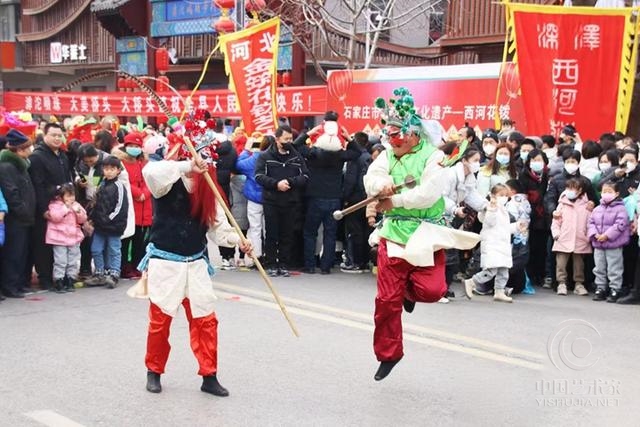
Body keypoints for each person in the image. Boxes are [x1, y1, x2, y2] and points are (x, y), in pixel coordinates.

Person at [363, 88, 479, 381]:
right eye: (388, 136)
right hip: (393, 233)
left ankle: (408, 293)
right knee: (385, 302)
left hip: (425, 234)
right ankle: (389, 354)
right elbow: (371, 178)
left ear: (413, 134)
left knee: (433, 291)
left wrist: (395, 200)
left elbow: (428, 194)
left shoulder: (433, 158)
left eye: (396, 135)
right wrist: (383, 184)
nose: (391, 141)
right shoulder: (388, 155)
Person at [137, 130, 251, 397]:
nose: (200, 166)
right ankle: (154, 370)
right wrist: (187, 166)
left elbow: (218, 226)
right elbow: (151, 172)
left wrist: (239, 240)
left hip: (197, 263)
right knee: (160, 321)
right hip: (166, 263)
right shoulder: (165, 178)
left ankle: (209, 375)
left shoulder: (208, 188)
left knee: (206, 321)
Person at [254, 126, 309, 277]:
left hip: (291, 201)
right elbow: (258, 176)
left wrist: (290, 182)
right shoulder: (265, 156)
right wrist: (276, 184)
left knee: (287, 234)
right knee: (271, 233)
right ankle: (271, 263)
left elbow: (305, 176)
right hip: (271, 201)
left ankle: (284, 264)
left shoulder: (295, 156)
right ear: (277, 139)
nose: (289, 142)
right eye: (286, 139)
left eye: (290, 139)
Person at [29, 122, 74, 291]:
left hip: (64, 207)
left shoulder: (62, 155)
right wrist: (43, 210)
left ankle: (60, 277)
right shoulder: (38, 157)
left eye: (59, 135)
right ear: (45, 136)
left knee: (61, 243)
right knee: (44, 244)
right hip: (47, 207)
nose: (57, 138)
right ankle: (45, 278)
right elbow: (37, 186)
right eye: (53, 135)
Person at [0, 130, 36, 298]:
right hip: (16, 218)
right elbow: (11, 193)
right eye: (28, 147)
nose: (31, 149)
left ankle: (19, 283)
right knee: (13, 253)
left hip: (25, 218)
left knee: (21, 253)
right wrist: (23, 210)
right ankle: (10, 286)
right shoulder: (7, 167)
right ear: (20, 150)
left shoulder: (22, 164)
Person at [464, 184, 514, 303]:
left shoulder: (503, 210)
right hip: (493, 245)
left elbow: (505, 228)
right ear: (493, 196)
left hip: (502, 245)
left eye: (506, 195)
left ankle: (499, 291)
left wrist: (517, 227)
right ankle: (472, 282)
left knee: (503, 271)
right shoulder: (488, 209)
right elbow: (490, 222)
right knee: (491, 271)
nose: (504, 198)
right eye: (501, 195)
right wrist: (491, 208)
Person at [85, 156, 129, 289]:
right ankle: (100, 273)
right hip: (99, 225)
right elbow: (95, 202)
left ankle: (114, 273)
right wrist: (92, 217)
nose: (108, 172)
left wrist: (108, 219)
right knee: (96, 249)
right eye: (106, 169)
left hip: (113, 226)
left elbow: (120, 206)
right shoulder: (102, 184)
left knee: (114, 250)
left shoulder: (119, 186)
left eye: (112, 169)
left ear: (118, 170)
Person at [588, 182, 629, 302]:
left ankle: (615, 288)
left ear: (616, 193)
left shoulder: (620, 209)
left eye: (609, 191)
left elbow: (620, 225)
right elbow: (591, 223)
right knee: (599, 267)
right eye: (604, 191)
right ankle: (600, 288)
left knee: (614, 267)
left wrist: (607, 235)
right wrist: (595, 234)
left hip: (613, 244)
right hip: (598, 243)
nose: (606, 194)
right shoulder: (597, 209)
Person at [550, 178, 592, 296]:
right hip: (563, 239)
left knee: (579, 264)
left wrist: (588, 237)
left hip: (580, 239)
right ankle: (561, 283)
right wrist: (556, 234)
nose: (570, 191)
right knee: (561, 264)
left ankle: (579, 284)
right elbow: (556, 222)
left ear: (580, 190)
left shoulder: (586, 206)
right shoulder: (562, 205)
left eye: (573, 188)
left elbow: (590, 223)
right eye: (568, 188)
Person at [120, 132, 152, 279]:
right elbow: (124, 181)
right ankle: (125, 267)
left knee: (140, 239)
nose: (134, 148)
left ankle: (136, 265)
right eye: (131, 146)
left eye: (137, 146)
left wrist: (145, 192)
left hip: (144, 204)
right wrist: (138, 193)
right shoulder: (121, 162)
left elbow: (149, 180)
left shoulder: (144, 163)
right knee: (127, 239)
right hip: (131, 204)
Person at [45, 183, 87, 293]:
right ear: (61, 196)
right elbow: (55, 217)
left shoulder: (76, 205)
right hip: (59, 238)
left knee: (73, 259)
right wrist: (66, 208)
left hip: (73, 237)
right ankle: (59, 280)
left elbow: (83, 219)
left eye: (72, 195)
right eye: (68, 196)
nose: (71, 198)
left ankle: (70, 279)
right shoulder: (55, 205)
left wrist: (78, 212)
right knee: (60, 260)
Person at [236, 133, 270, 266]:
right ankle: (270, 255)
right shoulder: (274, 158)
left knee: (255, 228)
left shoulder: (254, 159)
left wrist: (246, 150)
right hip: (270, 198)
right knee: (269, 228)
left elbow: (239, 165)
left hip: (254, 197)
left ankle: (256, 256)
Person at [341, 132, 373, 273]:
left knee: (353, 232)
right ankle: (363, 262)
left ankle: (354, 261)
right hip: (366, 198)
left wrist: (345, 197)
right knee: (364, 231)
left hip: (354, 199)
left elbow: (350, 180)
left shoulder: (355, 158)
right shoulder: (368, 157)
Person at [518, 148, 550, 287]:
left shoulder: (548, 177)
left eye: (539, 160)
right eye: (534, 160)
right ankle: (529, 275)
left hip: (544, 218)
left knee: (542, 247)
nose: (536, 163)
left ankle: (540, 274)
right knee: (529, 246)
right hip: (529, 217)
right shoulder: (523, 177)